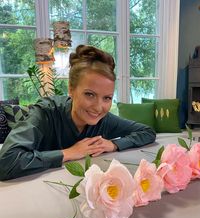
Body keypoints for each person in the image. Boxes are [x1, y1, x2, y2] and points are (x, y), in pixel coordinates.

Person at [0, 45, 156, 181]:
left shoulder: (105, 120)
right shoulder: (45, 114)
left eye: (107, 98)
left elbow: (147, 132)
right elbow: (6, 163)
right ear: (71, 89)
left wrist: (113, 144)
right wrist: (69, 153)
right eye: (89, 94)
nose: (98, 107)